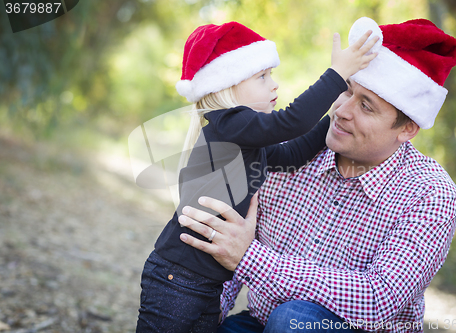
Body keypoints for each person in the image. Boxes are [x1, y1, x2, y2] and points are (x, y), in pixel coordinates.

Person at [178, 17, 456, 333]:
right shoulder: (287, 154)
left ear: (407, 129)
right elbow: (230, 240)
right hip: (259, 323)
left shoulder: (429, 192)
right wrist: (205, 312)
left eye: (366, 106)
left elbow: (378, 298)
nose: (341, 110)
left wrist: (249, 259)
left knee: (292, 321)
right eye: (345, 91)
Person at [136, 21, 379, 333]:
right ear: (229, 85)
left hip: (205, 282)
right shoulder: (228, 124)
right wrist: (336, 76)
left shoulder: (246, 143)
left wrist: (335, 116)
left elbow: (294, 153)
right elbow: (292, 123)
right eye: (262, 77)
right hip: (177, 278)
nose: (273, 85)